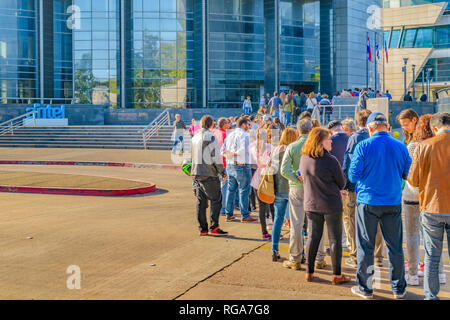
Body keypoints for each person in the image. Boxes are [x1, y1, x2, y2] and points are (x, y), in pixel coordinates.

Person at [349, 112, 411, 299]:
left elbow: (353, 176)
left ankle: (366, 288)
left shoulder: (363, 146)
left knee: (366, 246)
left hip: (368, 201)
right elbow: (408, 173)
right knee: (395, 247)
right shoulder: (401, 146)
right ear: (388, 128)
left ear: (369, 128)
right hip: (392, 201)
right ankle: (398, 288)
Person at [299, 127, 351, 285]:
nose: (331, 142)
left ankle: (309, 271)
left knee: (313, 237)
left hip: (311, 203)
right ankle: (337, 275)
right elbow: (341, 182)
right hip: (330, 204)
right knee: (335, 239)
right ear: (320, 142)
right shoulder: (330, 160)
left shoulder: (304, 158)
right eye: (328, 139)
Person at [407, 112, 450, 300]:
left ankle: (431, 296)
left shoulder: (424, 146)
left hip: (431, 207)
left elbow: (413, 180)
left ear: (434, 129)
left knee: (432, 256)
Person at [341, 110, 385, 268]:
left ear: (358, 122)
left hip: (356, 187)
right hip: (378, 187)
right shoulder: (381, 138)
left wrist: (345, 185)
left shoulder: (355, 138)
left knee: (352, 220)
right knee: (378, 223)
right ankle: (378, 256)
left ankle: (354, 255)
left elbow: (348, 163)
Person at [401, 114, 439, 286]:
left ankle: (413, 274)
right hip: (431, 196)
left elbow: (408, 173)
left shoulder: (413, 146)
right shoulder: (438, 146)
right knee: (432, 237)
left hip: (411, 194)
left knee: (412, 234)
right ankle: (439, 273)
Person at [280, 119, 313, 269]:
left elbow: (284, 170)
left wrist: (296, 177)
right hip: (313, 187)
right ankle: (318, 258)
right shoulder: (316, 145)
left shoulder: (292, 146)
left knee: (296, 223)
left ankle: (295, 258)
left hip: (296, 188)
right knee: (315, 224)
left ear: (298, 131)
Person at [190, 115, 228, 236]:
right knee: (216, 199)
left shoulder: (194, 137)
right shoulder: (210, 136)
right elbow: (216, 156)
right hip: (209, 173)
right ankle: (214, 226)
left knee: (201, 202)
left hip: (197, 172)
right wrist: (222, 171)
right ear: (211, 124)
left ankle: (203, 228)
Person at [221, 118, 258, 223]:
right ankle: (245, 215)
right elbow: (241, 151)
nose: (249, 126)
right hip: (241, 165)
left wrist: (228, 154)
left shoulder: (230, 134)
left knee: (231, 190)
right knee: (244, 190)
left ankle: (229, 214)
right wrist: (232, 153)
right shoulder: (244, 135)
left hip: (230, 165)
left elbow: (222, 150)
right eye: (248, 124)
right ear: (243, 125)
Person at [270, 127, 298, 262]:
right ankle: (299, 251)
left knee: (278, 219)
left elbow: (272, 171)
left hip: (278, 189)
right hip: (292, 188)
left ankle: (274, 249)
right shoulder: (294, 150)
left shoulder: (275, 150)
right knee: (295, 221)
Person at [250, 123, 276, 239]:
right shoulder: (270, 147)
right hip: (268, 176)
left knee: (261, 206)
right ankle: (275, 229)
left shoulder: (252, 147)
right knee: (272, 205)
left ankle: (264, 231)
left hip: (257, 176)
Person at [214, 118, 230, 215]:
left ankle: (220, 207)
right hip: (224, 164)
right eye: (228, 123)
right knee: (224, 187)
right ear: (224, 124)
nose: (229, 124)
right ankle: (223, 208)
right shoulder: (225, 135)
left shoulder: (215, 133)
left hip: (217, 163)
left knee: (220, 187)